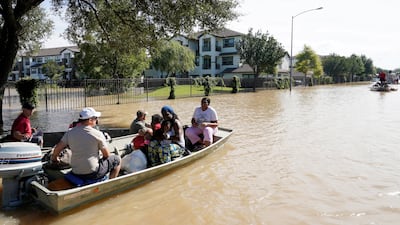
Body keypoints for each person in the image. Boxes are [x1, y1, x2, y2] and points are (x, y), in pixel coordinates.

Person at [51, 107, 121, 180]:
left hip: (76, 171)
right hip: (92, 173)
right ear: (90, 120)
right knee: (116, 159)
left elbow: (57, 148)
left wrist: (55, 159)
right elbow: (107, 155)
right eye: (95, 118)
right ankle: (111, 181)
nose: (96, 120)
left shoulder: (70, 132)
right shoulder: (98, 134)